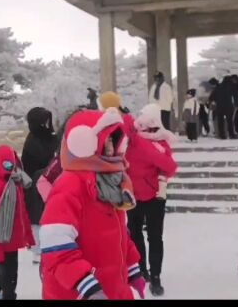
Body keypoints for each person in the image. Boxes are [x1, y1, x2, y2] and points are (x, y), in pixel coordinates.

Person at [39, 108, 146, 300]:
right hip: (78, 292)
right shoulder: (70, 186)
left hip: (112, 287)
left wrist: (132, 268)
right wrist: (85, 284)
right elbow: (57, 247)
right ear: (87, 143)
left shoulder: (111, 183)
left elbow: (120, 233)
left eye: (115, 140)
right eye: (107, 140)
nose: (112, 147)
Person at [125, 104, 178, 296]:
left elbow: (169, 167)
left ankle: (155, 276)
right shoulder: (131, 140)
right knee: (136, 235)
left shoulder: (158, 142)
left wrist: (162, 177)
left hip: (154, 196)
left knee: (154, 237)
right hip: (132, 195)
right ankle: (142, 271)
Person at [0, 145, 35, 300]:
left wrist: (28, 236)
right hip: (0, 240)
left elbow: (22, 214)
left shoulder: (15, 184)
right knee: (7, 275)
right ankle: (7, 295)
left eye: (12, 164)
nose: (10, 168)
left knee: (9, 272)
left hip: (13, 240)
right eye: (6, 165)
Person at [21, 107, 58, 265]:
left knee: (48, 214)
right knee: (37, 216)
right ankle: (37, 249)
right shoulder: (34, 140)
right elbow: (42, 158)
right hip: (36, 181)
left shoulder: (46, 137)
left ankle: (46, 246)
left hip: (48, 180)